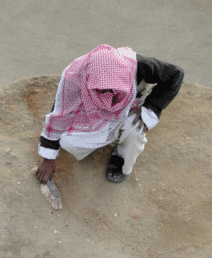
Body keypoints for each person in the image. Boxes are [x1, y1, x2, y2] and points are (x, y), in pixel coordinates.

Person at [35, 45, 184, 185]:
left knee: (135, 131)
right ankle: (108, 135)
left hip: (132, 102)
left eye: (113, 89)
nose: (109, 97)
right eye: (101, 90)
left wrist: (150, 107)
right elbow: (60, 115)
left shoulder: (139, 65)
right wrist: (48, 158)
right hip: (90, 110)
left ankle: (120, 156)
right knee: (67, 141)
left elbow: (176, 74)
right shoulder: (74, 76)